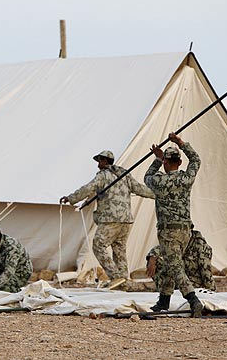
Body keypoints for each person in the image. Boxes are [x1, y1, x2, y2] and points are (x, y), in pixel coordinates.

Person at [60, 150, 155, 288]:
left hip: (111, 219)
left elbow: (89, 188)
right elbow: (139, 189)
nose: (98, 164)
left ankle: (115, 277)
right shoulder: (124, 175)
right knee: (119, 249)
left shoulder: (103, 175)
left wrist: (71, 198)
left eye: (99, 160)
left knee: (98, 245)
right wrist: (158, 195)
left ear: (105, 161)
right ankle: (124, 281)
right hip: (126, 219)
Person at [144, 133, 204, 317]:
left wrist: (157, 159)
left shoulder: (159, 181)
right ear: (179, 162)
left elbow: (147, 177)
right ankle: (164, 301)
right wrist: (180, 142)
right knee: (172, 263)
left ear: (166, 163)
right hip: (186, 230)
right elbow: (196, 160)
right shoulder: (186, 179)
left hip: (168, 231)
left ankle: (193, 300)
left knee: (175, 266)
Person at [146, 228, 216, 292]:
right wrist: (152, 258)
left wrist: (211, 292)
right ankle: (165, 292)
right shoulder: (179, 241)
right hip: (178, 283)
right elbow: (162, 248)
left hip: (194, 286)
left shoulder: (202, 247)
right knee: (156, 260)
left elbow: (206, 273)